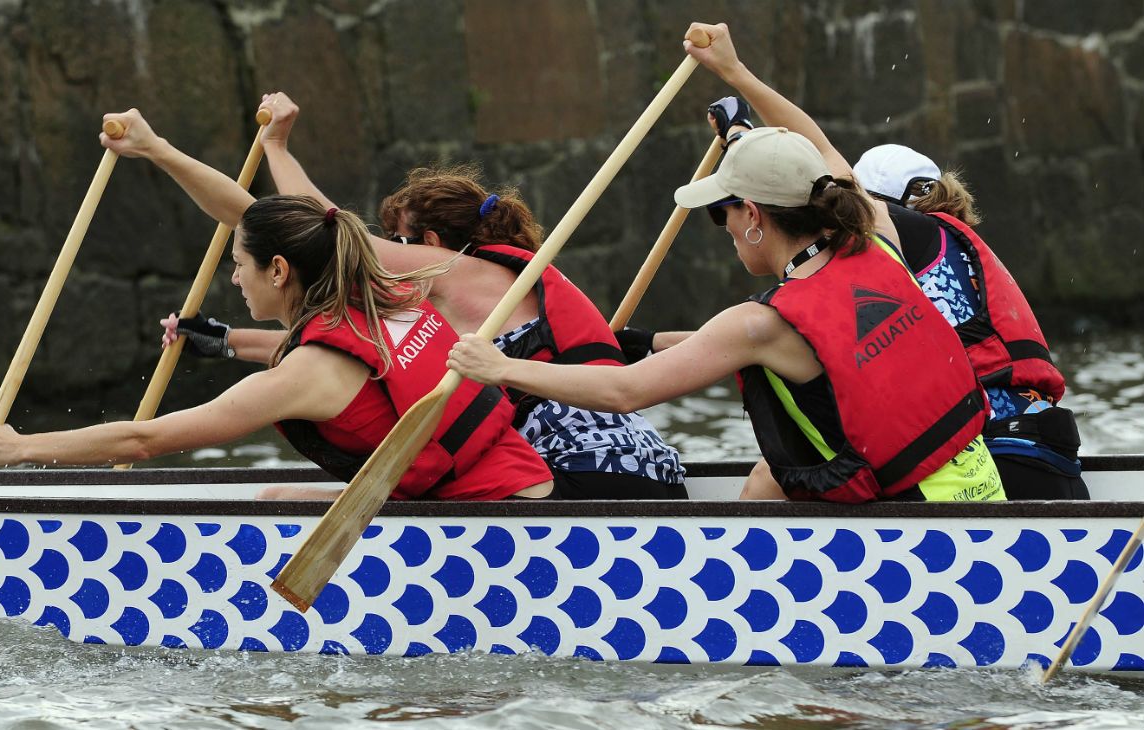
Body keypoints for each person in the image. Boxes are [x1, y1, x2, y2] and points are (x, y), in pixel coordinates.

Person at [446, 22, 1005, 504]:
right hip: (986, 494)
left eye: (722, 213)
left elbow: (624, 393)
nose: (725, 227)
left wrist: (498, 368)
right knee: (769, 480)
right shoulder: (874, 239)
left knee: (768, 482)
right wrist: (735, 75)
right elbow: (817, 149)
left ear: (755, 215)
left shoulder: (759, 324)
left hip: (911, 529)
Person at [163, 93, 687, 500]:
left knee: (282, 495)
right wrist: (226, 340)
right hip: (645, 467)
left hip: (584, 480)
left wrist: (255, 149)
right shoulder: (487, 288)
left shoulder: (455, 276)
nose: (386, 253)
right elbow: (342, 358)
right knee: (288, 492)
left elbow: (311, 230)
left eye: (399, 241)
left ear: (431, 245)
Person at [0, 182, 553, 501]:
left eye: (237, 263)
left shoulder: (305, 373)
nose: (233, 277)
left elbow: (145, 440)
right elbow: (354, 384)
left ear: (277, 270)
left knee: (271, 499)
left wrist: (17, 448)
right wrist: (224, 342)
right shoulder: (386, 307)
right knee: (274, 494)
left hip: (493, 519)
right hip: (524, 487)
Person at [852, 145, 1087, 499]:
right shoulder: (958, 245)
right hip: (1050, 454)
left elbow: (833, 179)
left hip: (1002, 463)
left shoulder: (916, 234)